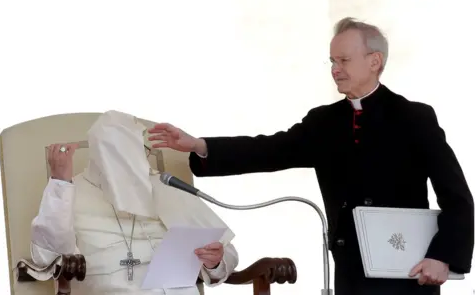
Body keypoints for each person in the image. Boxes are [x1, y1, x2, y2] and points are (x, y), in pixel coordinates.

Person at [147, 17, 474, 295]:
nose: (334, 69)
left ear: (374, 61)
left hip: (408, 275)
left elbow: (458, 198)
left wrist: (443, 256)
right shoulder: (324, 122)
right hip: (350, 275)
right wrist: (199, 145)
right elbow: (268, 150)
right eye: (332, 61)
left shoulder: (414, 118)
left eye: (343, 60)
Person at [30, 110, 239, 295]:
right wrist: (60, 183)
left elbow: (225, 251)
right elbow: (47, 258)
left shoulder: (163, 185)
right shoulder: (69, 190)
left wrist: (215, 262)